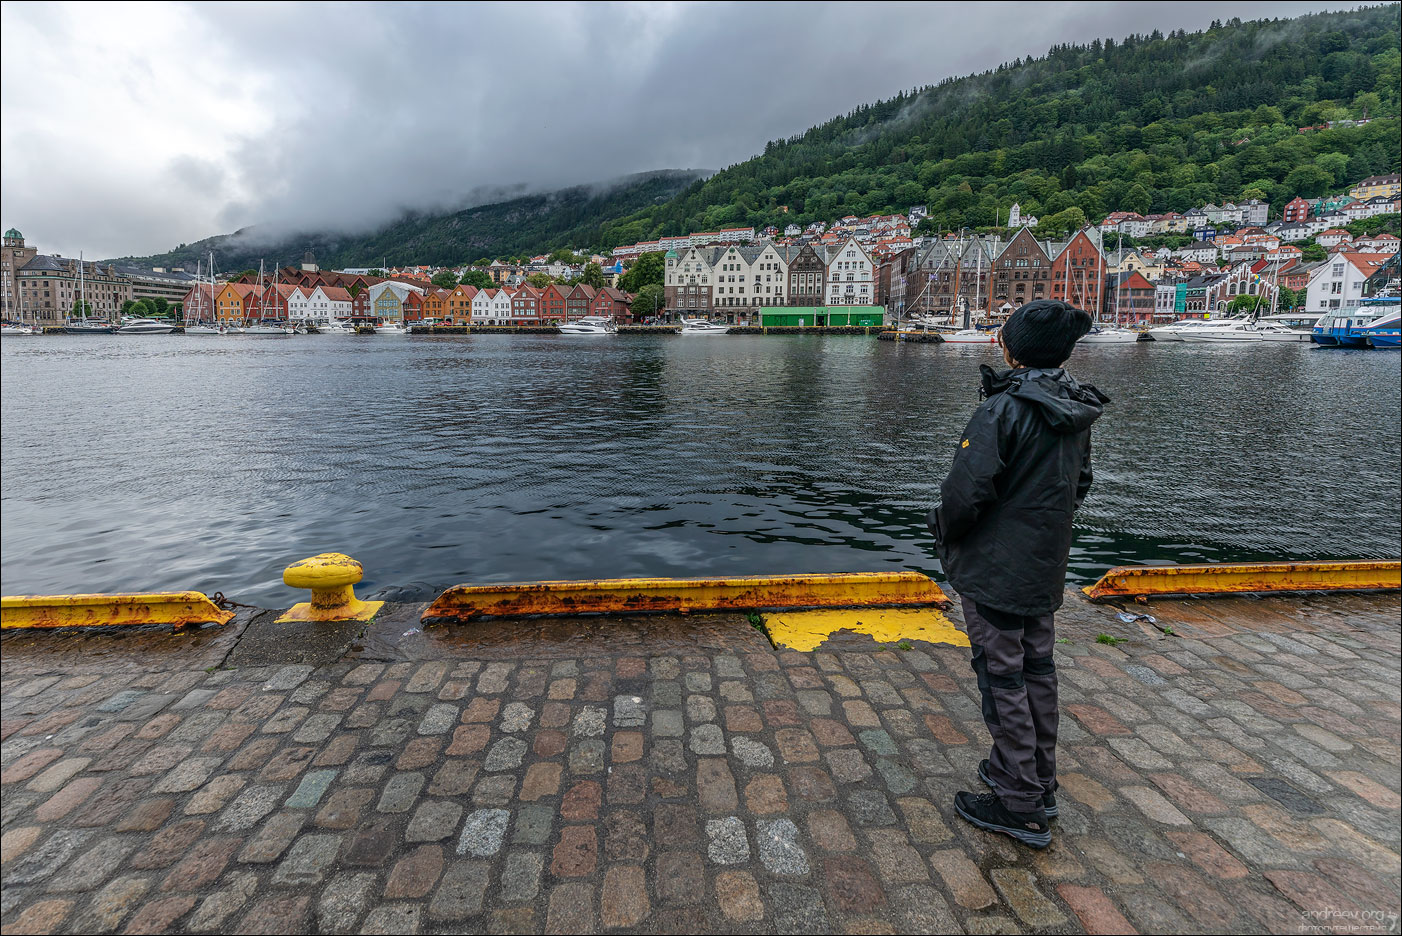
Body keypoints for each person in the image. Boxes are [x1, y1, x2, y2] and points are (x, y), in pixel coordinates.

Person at [928, 298, 1108, 849]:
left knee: (1002, 676)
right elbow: (1079, 484)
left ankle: (1019, 801)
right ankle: (1036, 779)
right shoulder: (1072, 407)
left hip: (995, 568)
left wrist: (944, 533)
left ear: (1013, 348)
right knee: (1037, 671)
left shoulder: (1002, 411)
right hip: (1042, 564)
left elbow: (965, 494)